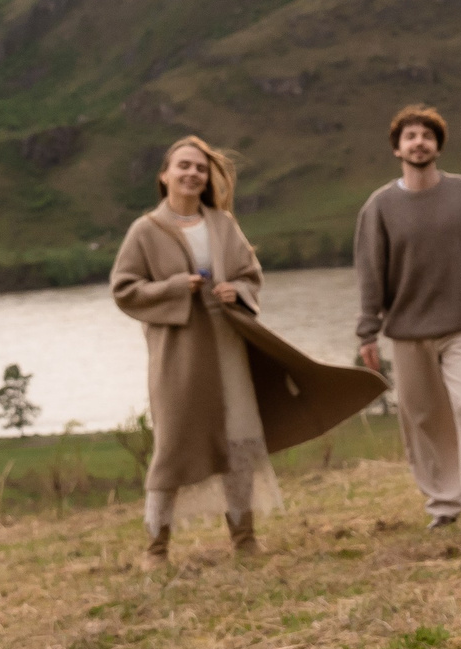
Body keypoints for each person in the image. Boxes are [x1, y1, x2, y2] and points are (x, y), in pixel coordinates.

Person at [111, 135, 384, 565]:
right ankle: (155, 549)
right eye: (183, 166)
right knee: (173, 446)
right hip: (177, 357)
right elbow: (125, 289)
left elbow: (250, 275)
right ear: (164, 175)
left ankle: (245, 541)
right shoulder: (145, 230)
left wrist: (234, 290)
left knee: (239, 439)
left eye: (200, 168)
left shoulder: (222, 224)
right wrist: (174, 288)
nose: (192, 174)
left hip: (228, 347)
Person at [354, 104, 461, 527]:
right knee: (422, 419)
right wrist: (367, 333)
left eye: (426, 135)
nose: (418, 142)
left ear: (437, 144)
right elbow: (370, 273)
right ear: (397, 148)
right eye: (410, 136)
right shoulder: (379, 206)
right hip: (406, 333)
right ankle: (443, 505)